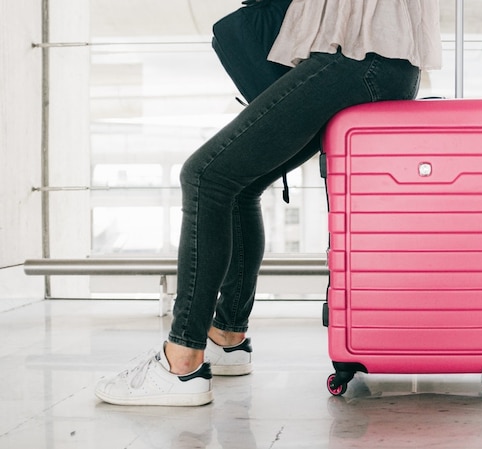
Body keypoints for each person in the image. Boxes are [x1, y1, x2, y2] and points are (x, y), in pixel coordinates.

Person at [95, 0, 442, 406]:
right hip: (382, 60)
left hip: (355, 55)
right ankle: (227, 336)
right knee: (239, 185)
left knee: (205, 175)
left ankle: (181, 361)